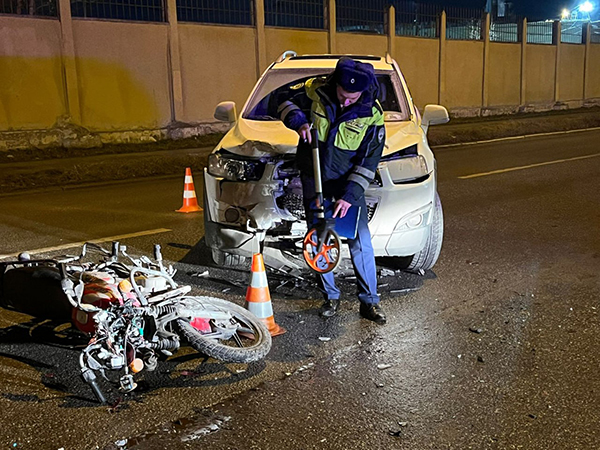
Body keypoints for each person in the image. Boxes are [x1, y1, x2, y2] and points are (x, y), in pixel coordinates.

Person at [277, 57, 386, 324]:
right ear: (336, 84)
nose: (345, 101)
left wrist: (349, 196)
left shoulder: (372, 113)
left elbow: (369, 160)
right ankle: (330, 297)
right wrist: (299, 120)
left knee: (359, 241)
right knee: (319, 238)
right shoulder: (315, 91)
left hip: (347, 182)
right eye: (341, 95)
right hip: (314, 178)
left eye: (352, 98)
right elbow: (280, 99)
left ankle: (369, 302)